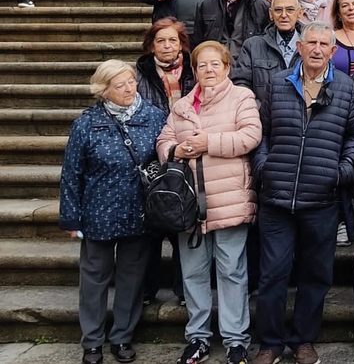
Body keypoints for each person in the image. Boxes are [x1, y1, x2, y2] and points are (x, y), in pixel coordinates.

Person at [251, 22, 354, 364]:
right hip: (277, 199)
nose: (316, 49)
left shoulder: (345, 87)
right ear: (299, 47)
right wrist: (263, 166)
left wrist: (340, 172)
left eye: (323, 44)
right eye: (310, 42)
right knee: (272, 274)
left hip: (322, 199)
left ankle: (303, 340)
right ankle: (268, 343)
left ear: (333, 51)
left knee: (316, 275)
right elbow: (262, 132)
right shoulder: (277, 83)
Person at [156, 41, 262, 364]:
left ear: (227, 68)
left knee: (231, 271)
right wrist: (176, 151)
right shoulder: (183, 105)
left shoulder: (241, 97)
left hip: (229, 201)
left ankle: (235, 340)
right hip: (190, 206)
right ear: (195, 70)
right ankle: (198, 338)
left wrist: (208, 143)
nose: (209, 70)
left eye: (215, 64)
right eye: (202, 65)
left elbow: (250, 136)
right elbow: (163, 141)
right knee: (193, 273)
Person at [60, 59, 166, 364]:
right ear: (104, 91)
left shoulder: (154, 117)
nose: (129, 89)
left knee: (132, 279)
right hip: (98, 213)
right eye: (120, 85)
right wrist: (70, 217)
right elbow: (71, 173)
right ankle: (92, 341)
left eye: (131, 81)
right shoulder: (87, 123)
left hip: (139, 212)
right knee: (94, 279)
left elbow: (163, 160)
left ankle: (122, 337)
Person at [135, 19, 192, 308]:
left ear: (181, 43)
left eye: (172, 40)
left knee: (182, 219)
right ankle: (147, 288)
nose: (167, 46)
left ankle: (183, 289)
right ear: (151, 45)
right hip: (149, 151)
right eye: (161, 41)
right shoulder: (140, 73)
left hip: (185, 151)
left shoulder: (194, 70)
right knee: (151, 224)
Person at [231, 0, 304, 103]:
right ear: (271, 14)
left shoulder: (312, 45)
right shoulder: (252, 46)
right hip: (263, 116)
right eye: (278, 10)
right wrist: (257, 108)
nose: (284, 15)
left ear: (300, 13)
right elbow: (241, 83)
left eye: (290, 10)